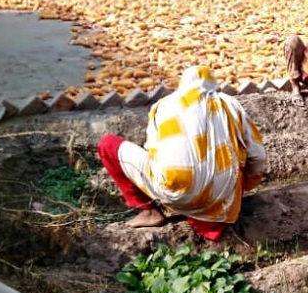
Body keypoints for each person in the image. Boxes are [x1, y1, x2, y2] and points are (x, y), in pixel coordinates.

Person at [97, 65, 266, 241]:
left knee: (107, 145)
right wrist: (242, 187)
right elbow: (258, 156)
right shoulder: (231, 105)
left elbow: (154, 152)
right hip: (223, 200)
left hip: (177, 194)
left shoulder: (164, 105)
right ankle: (211, 203)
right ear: (213, 85)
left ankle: (149, 212)